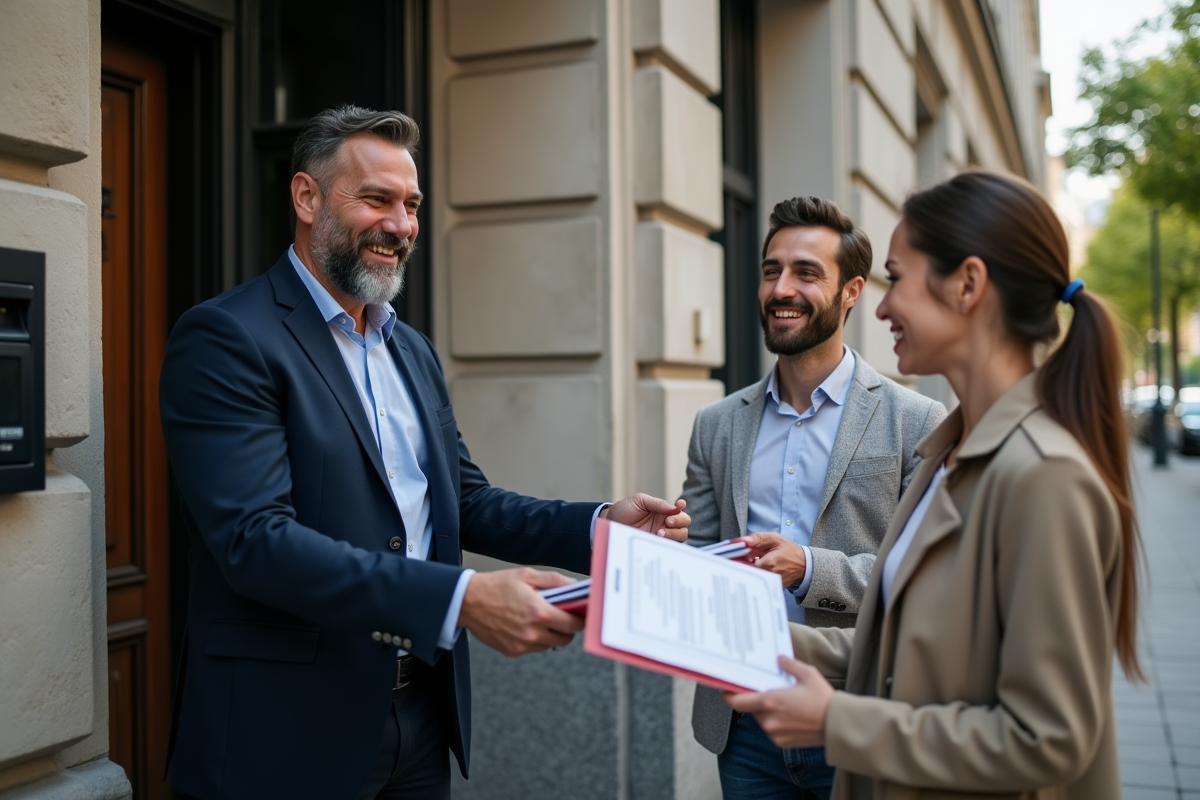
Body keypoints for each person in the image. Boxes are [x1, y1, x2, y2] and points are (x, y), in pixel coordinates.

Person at [158, 105, 690, 800]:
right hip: (282, 730)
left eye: (409, 204)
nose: (401, 225)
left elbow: (461, 501)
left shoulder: (409, 348)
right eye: (376, 199)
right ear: (306, 196)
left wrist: (595, 527)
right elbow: (257, 542)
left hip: (419, 718)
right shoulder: (226, 337)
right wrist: (463, 598)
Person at [726, 171, 1141, 800]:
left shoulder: (1045, 476)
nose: (884, 306)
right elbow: (894, 646)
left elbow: (1049, 738)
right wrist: (730, 632)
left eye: (897, 279)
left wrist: (839, 722)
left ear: (968, 284)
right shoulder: (948, 453)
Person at [684, 196, 945, 800]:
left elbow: (925, 582)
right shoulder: (716, 424)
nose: (782, 288)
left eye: (807, 273)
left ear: (852, 291)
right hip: (745, 721)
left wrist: (807, 569)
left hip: (859, 712)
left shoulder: (917, 420)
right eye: (772, 270)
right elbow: (697, 553)